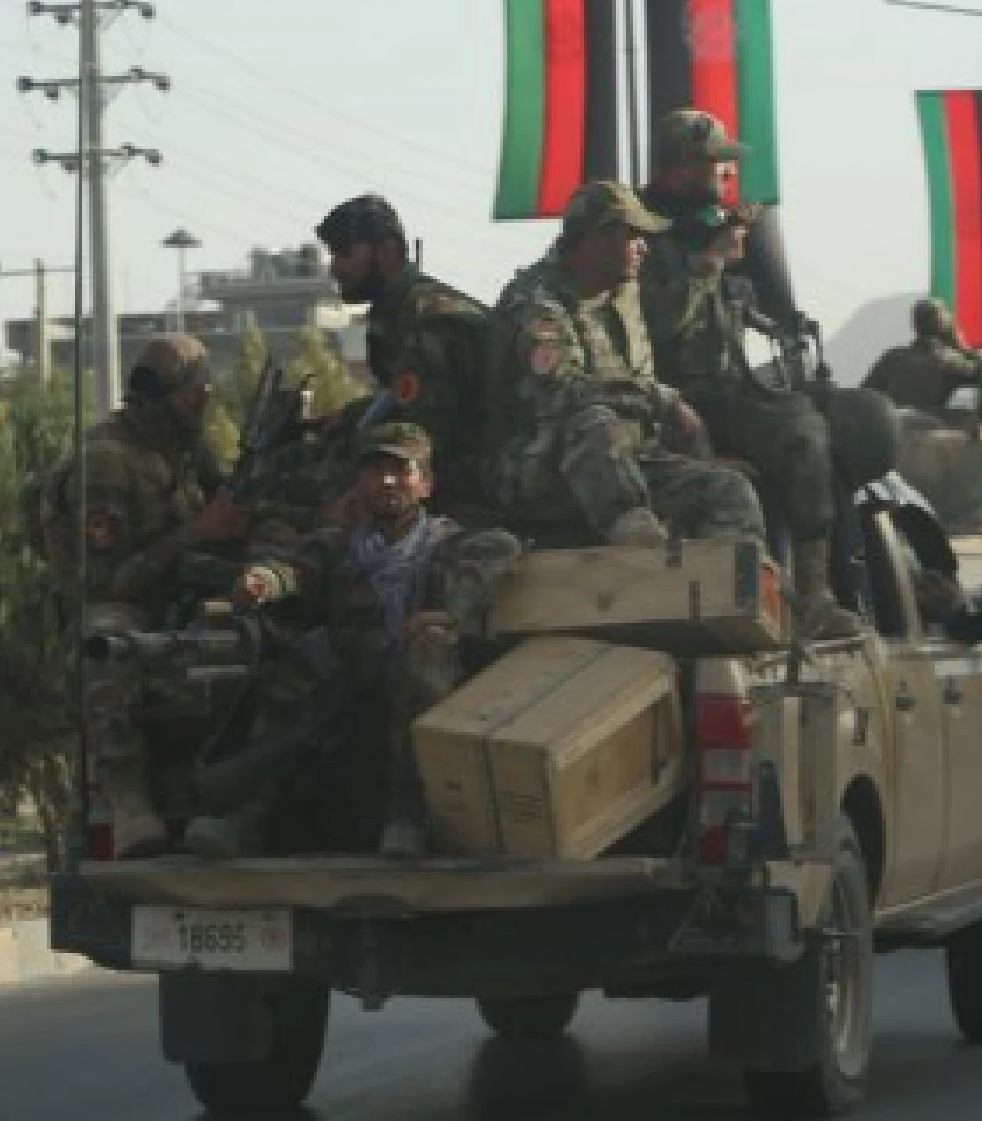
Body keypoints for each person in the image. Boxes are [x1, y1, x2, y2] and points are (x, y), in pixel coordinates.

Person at [198, 423, 521, 859]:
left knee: (428, 648)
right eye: (375, 470)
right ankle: (245, 817)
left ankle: (407, 816)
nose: (387, 481)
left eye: (400, 471)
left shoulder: (449, 543)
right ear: (358, 482)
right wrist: (265, 581)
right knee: (293, 668)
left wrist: (449, 612)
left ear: (425, 483)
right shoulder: (338, 545)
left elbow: (501, 551)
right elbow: (296, 570)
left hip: (422, 682)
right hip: (352, 676)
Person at [637, 108, 859, 638]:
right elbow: (656, 325)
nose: (724, 178)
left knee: (803, 432)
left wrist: (763, 278)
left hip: (728, 386)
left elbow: (762, 312)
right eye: (717, 165)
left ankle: (815, 592)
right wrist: (711, 262)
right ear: (684, 167)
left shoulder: (714, 227)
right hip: (662, 393)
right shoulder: (637, 234)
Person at [45, 334, 250, 859]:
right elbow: (100, 583)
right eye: (197, 392)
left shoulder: (179, 452)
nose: (205, 403)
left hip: (187, 600)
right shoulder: (109, 462)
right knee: (106, 639)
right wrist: (196, 534)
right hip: (127, 608)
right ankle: (130, 805)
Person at [485, 179, 766, 548]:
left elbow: (671, 319)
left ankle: (732, 593)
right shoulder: (537, 303)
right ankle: (641, 549)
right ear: (597, 238)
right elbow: (562, 391)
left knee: (728, 490)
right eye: (633, 235)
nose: (644, 247)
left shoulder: (624, 290)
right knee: (593, 422)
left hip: (631, 457)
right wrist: (663, 400)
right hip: (544, 465)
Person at [311, 194, 492, 515]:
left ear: (387, 251)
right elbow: (402, 398)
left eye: (344, 253)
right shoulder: (398, 312)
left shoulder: (429, 318)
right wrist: (349, 416)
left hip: (475, 471)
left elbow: (426, 431)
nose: (335, 268)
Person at [863, 298, 982, 428]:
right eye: (947, 315)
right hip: (926, 430)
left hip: (893, 427)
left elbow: (865, 394)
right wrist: (963, 348)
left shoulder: (893, 356)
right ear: (942, 324)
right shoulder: (949, 360)